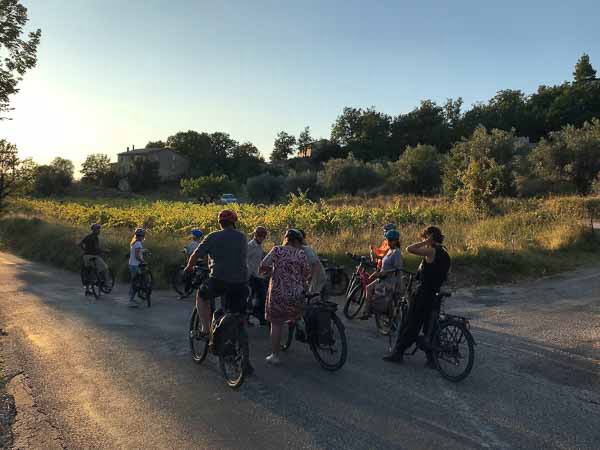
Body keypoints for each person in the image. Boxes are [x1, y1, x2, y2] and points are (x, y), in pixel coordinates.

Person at [185, 210, 253, 374]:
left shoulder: (213, 236)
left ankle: (206, 329)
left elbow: (196, 255)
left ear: (220, 223)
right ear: (234, 223)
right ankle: (245, 360)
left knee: (202, 296)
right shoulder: (242, 237)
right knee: (238, 315)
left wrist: (188, 268)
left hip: (219, 280)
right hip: (241, 282)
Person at [383, 226, 451, 366]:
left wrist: (426, 242)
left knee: (411, 324)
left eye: (424, 237)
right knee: (430, 326)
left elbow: (410, 249)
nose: (422, 240)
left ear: (429, 237)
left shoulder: (431, 251)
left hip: (424, 294)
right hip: (435, 294)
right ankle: (432, 359)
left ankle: (398, 353)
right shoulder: (445, 253)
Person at [260, 229, 311, 365]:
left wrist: (272, 272)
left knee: (276, 324)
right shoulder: (301, 253)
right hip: (296, 293)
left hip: (278, 293)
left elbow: (263, 265)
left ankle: (275, 355)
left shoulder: (277, 250)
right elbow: (306, 272)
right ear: (295, 241)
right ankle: (298, 322)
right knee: (296, 312)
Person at [360, 229, 403, 320]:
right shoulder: (390, 251)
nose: (389, 242)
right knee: (368, 287)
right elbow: (384, 261)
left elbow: (397, 268)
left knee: (390, 299)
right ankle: (367, 311)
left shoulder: (397, 252)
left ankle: (388, 316)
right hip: (383, 277)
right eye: (388, 240)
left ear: (396, 241)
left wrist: (384, 273)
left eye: (391, 240)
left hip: (390, 280)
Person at [247, 226, 269, 326]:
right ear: (255, 235)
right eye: (259, 235)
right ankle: (247, 318)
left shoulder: (259, 246)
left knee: (262, 296)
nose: (261, 238)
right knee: (249, 297)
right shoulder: (250, 246)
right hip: (250, 275)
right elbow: (245, 260)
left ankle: (260, 316)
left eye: (263, 236)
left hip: (257, 275)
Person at [79, 223, 109, 288]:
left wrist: (85, 250)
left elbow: (80, 244)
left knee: (88, 272)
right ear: (94, 230)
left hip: (86, 256)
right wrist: (104, 251)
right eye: (98, 229)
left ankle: (87, 290)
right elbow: (96, 248)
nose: (99, 231)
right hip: (94, 256)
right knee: (105, 268)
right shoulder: (95, 237)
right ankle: (106, 284)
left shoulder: (88, 236)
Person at [298, 229, 327, 296]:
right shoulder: (294, 249)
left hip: (317, 277)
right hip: (308, 277)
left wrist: (312, 285)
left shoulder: (306, 250)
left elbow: (317, 266)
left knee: (313, 298)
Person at [128, 228, 146, 308]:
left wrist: (145, 250)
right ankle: (131, 300)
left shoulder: (134, 242)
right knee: (136, 282)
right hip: (136, 265)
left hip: (132, 264)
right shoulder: (138, 243)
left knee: (134, 281)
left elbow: (138, 251)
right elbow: (137, 255)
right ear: (142, 236)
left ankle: (132, 298)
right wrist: (142, 261)